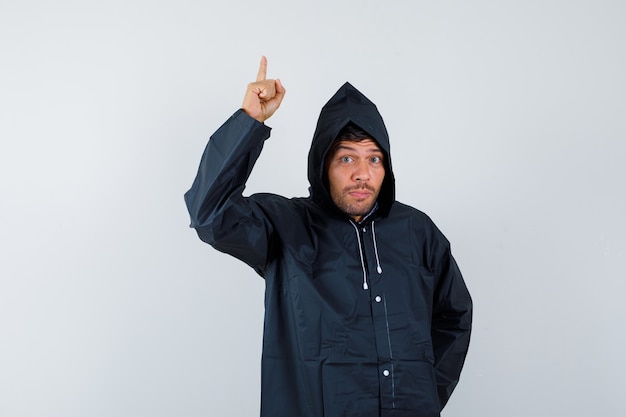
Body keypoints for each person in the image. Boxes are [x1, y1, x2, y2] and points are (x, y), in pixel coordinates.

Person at [184, 57, 472, 417]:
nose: (362, 174)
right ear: (323, 164)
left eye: (374, 159)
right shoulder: (285, 225)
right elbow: (209, 214)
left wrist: (425, 392)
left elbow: (454, 316)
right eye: (347, 160)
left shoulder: (418, 231)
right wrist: (249, 122)